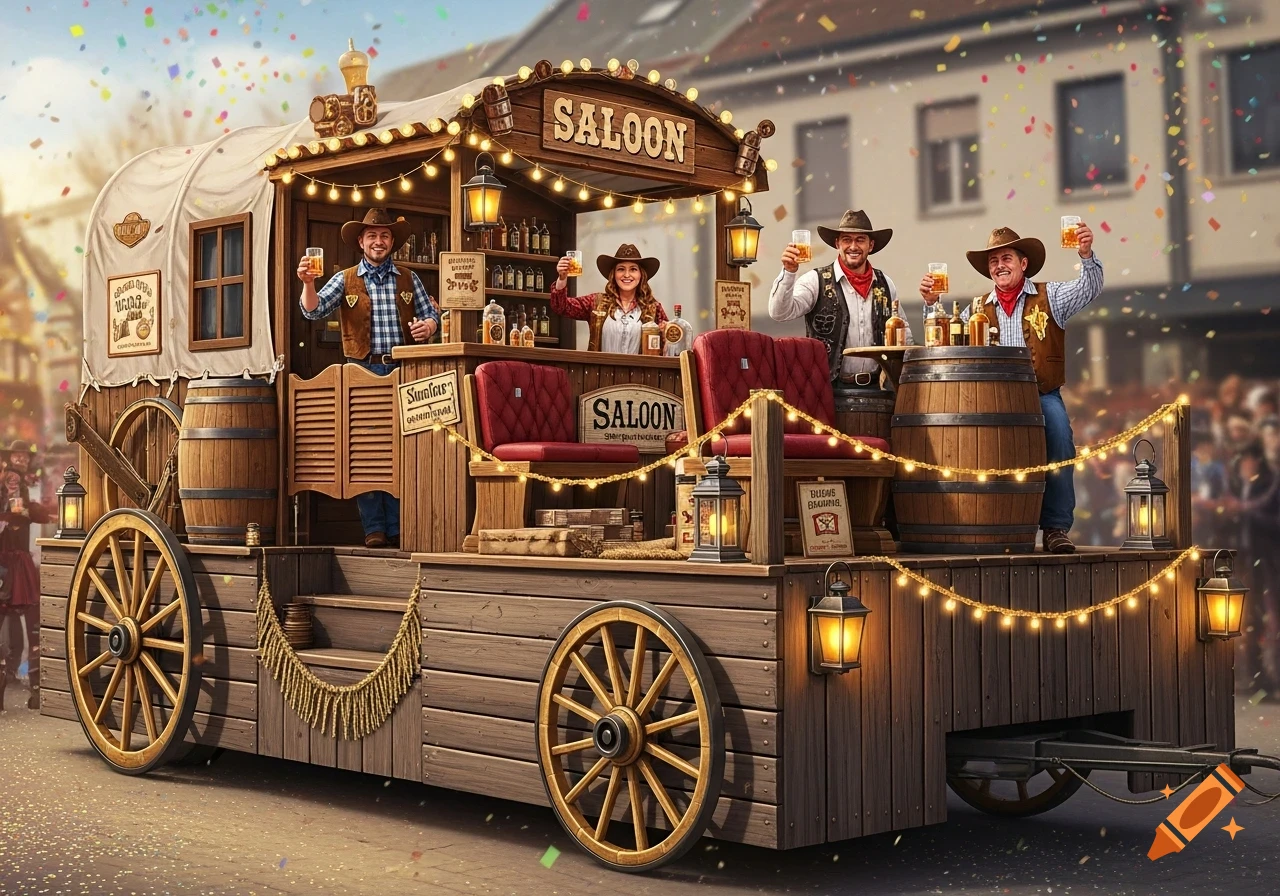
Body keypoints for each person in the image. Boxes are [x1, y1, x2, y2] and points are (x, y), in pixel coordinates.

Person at [919, 223, 1103, 554]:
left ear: (1024, 264)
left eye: (1006, 258)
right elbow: (943, 338)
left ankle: (1055, 529)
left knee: (1060, 441)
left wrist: (1086, 254)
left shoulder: (1052, 295)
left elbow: (1090, 287)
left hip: (1041, 395)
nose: (999, 266)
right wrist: (932, 305)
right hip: (993, 404)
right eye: (993, 262)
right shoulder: (976, 308)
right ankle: (990, 527)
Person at [297, 208, 439, 548]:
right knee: (368, 450)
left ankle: (399, 525)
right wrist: (307, 284)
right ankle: (375, 527)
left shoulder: (408, 277)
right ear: (361, 242)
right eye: (372, 235)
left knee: (404, 447)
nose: (379, 241)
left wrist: (429, 326)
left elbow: (432, 312)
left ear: (392, 242)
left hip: (405, 370)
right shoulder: (345, 279)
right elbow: (312, 310)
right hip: (362, 371)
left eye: (385, 236)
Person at [768, 209, 912, 387]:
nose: (853, 246)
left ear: (871, 245)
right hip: (828, 390)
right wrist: (789, 272)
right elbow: (779, 313)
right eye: (846, 240)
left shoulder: (885, 283)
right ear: (837, 243)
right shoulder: (815, 280)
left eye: (860, 240)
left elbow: (904, 337)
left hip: (879, 391)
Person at [0, 441, 53, 710]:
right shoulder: (9, 483)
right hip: (6, 563)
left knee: (29, 625)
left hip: (22, 561)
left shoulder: (27, 486)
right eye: (16, 456)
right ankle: (13, 680)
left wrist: (31, 511)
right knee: (14, 624)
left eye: (23, 456)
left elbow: (34, 514)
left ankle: (33, 686)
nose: (20, 460)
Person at [550, 244, 668, 353]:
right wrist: (562, 278)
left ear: (641, 275)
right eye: (621, 269)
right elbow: (561, 307)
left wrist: (665, 334)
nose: (627, 275)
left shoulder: (653, 308)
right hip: (601, 374)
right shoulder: (596, 302)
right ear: (613, 275)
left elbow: (670, 342)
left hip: (639, 374)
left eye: (633, 269)